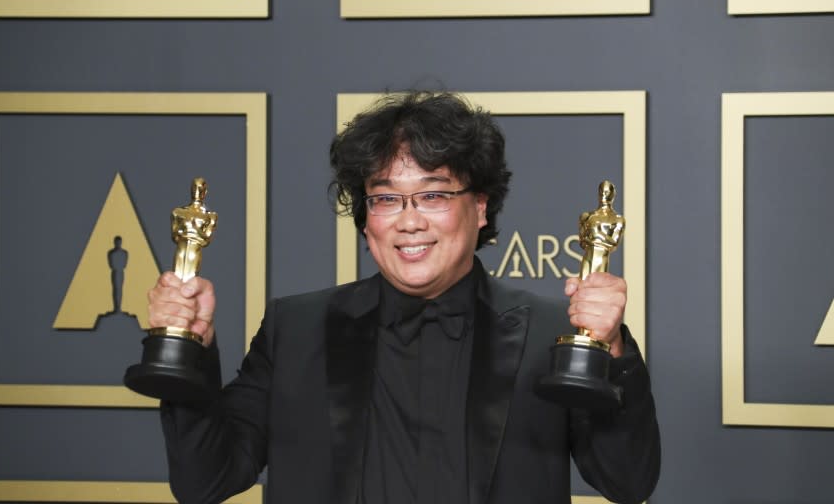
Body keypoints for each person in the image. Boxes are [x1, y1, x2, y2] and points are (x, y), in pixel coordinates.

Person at [148, 91, 660, 504]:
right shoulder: (296, 329)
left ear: (480, 207)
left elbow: (628, 482)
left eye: (434, 194)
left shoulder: (552, 331)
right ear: (366, 218)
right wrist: (188, 351)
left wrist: (610, 351)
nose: (409, 219)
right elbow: (205, 482)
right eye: (386, 197)